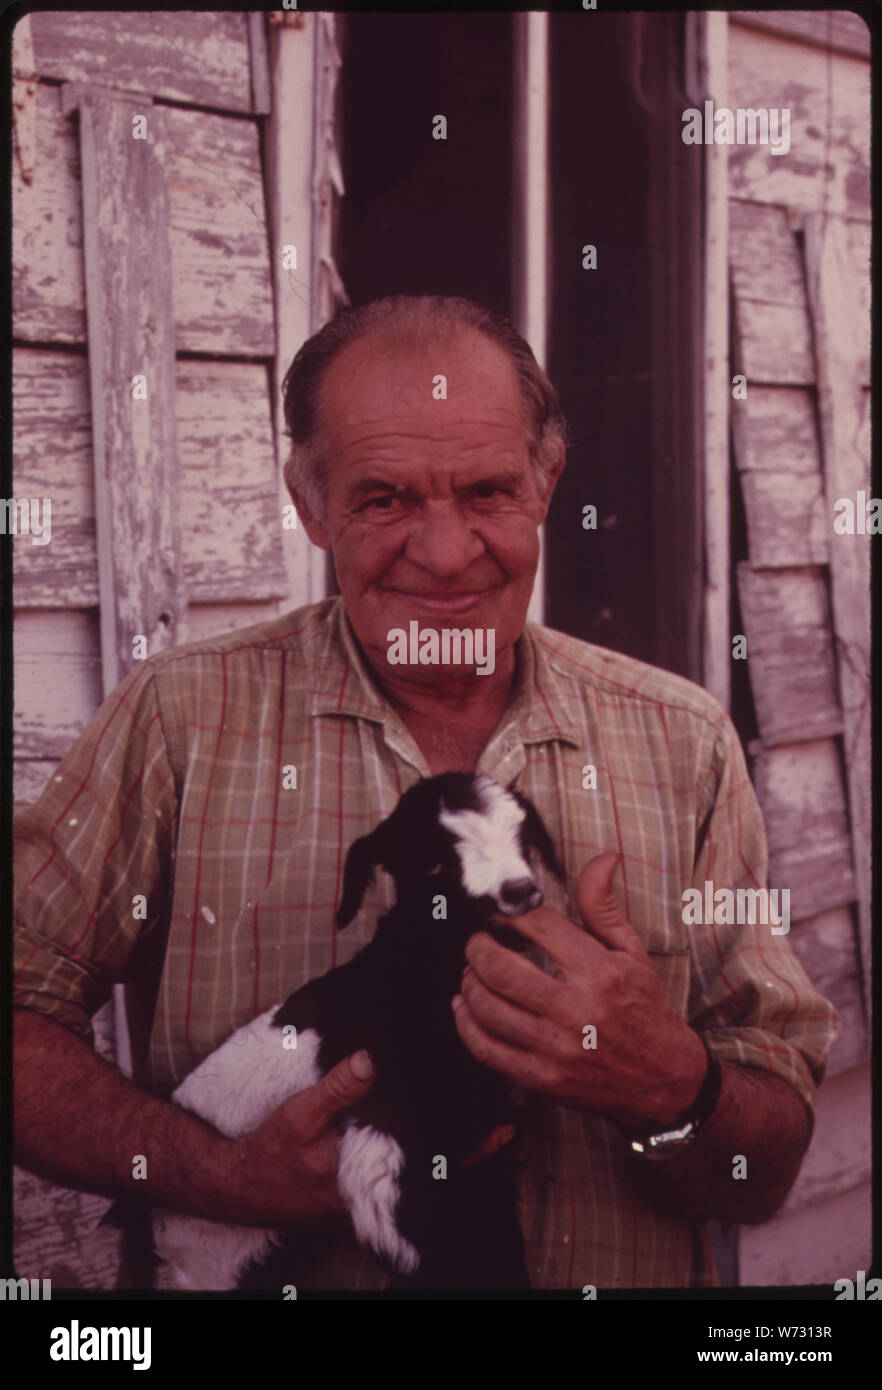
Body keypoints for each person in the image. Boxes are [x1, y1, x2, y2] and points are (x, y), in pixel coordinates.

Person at [14, 295, 840, 1290]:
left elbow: (766, 1163)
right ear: (310, 504)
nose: (446, 554)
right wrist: (218, 1174)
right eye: (384, 499)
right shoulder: (180, 718)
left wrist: (673, 1084)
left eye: (488, 491)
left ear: (546, 483)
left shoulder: (684, 739)